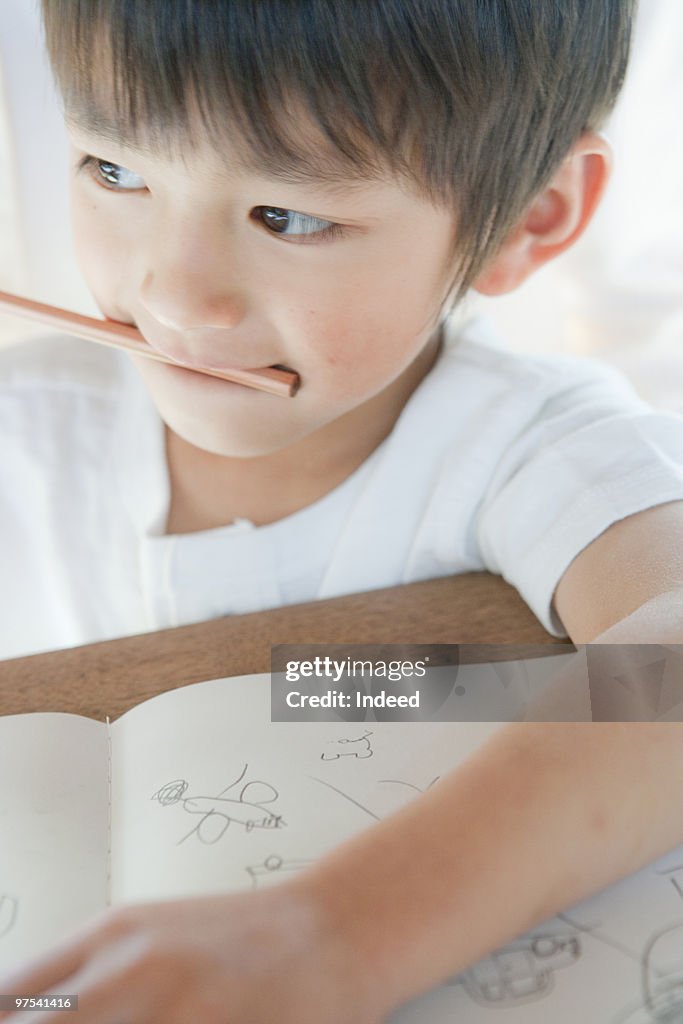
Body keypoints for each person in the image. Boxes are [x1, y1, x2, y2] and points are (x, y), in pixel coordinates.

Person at [0, 1, 682, 1021]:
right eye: (116, 172)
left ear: (526, 217)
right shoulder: (30, 422)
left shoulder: (527, 444)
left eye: (290, 217)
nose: (179, 299)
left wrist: (335, 934)